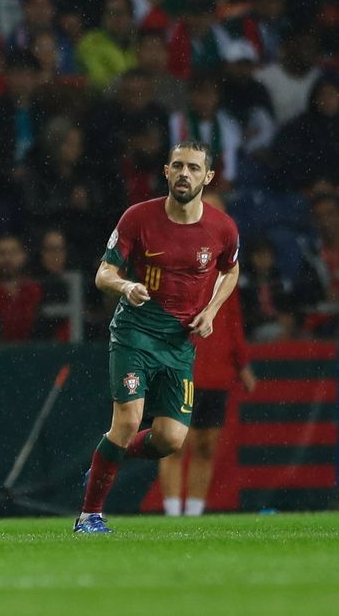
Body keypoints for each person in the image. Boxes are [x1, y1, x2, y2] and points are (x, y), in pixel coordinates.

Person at [75, 140, 240, 534]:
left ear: (208, 176)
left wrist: (211, 311)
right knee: (129, 421)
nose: (185, 174)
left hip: (180, 345)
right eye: (178, 166)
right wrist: (125, 286)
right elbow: (102, 274)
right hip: (135, 335)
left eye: (194, 168)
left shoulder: (223, 228)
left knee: (169, 440)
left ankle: (104, 460)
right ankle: (89, 516)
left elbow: (230, 270)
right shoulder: (138, 218)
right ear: (166, 171)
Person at [158, 288, 256, 516]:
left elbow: (233, 322)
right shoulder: (179, 268)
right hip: (182, 368)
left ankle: (193, 513)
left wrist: (242, 364)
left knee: (206, 447)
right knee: (175, 444)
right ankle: (172, 514)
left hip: (217, 373)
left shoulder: (226, 274)